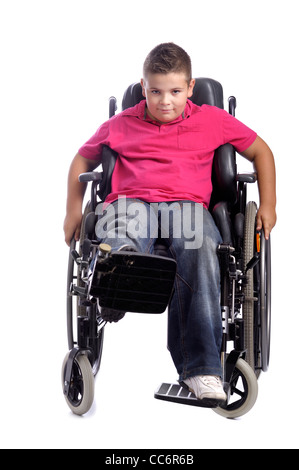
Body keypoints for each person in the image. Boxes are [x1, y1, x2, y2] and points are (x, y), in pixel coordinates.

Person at [63, 43, 276, 404]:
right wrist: (72, 210)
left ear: (190, 88)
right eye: (156, 91)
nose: (166, 101)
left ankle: (201, 371)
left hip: (187, 206)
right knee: (121, 233)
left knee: (202, 249)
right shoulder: (120, 123)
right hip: (132, 201)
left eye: (176, 91)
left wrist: (269, 204)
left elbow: (261, 151)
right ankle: (118, 278)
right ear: (143, 87)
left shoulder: (212, 119)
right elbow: (81, 160)